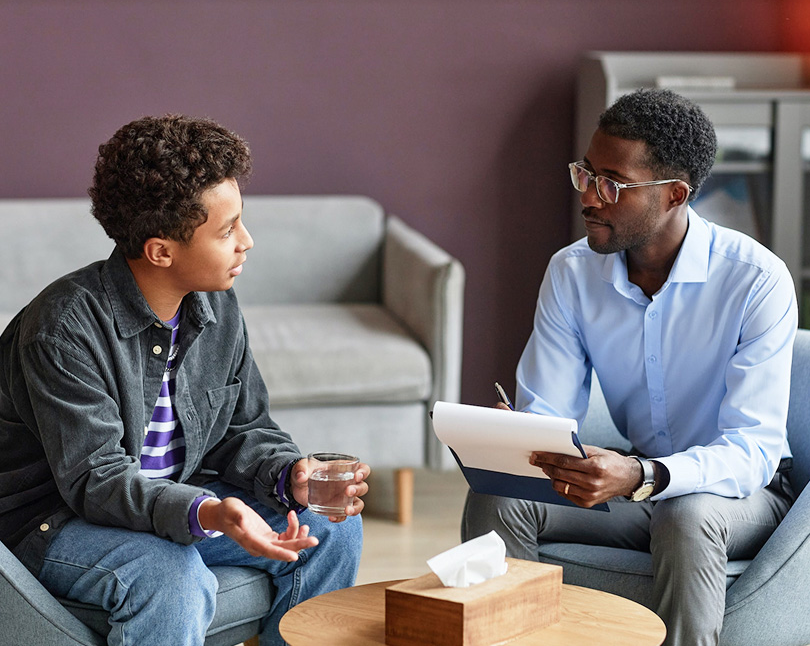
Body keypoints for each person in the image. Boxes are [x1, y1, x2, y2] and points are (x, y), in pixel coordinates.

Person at [0, 115, 370, 646]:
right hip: (54, 520)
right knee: (172, 578)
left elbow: (244, 428)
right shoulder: (61, 331)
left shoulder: (216, 305)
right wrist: (209, 512)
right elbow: (95, 482)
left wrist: (289, 476)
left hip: (176, 498)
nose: (247, 241)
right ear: (161, 251)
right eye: (226, 230)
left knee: (330, 529)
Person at [462, 89, 797, 646]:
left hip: (742, 492)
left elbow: (753, 451)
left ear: (674, 195)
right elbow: (549, 412)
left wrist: (645, 476)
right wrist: (518, 438)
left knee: (685, 516)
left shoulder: (755, 281)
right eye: (586, 173)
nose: (589, 197)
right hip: (637, 480)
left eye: (612, 183)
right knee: (500, 495)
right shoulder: (571, 273)